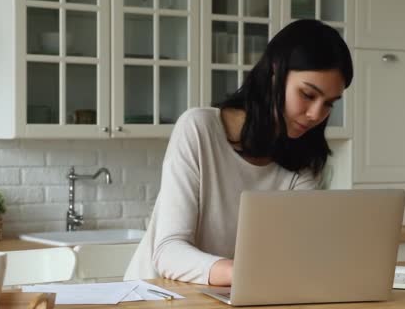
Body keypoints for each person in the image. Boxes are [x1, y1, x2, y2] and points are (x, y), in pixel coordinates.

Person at [124, 19, 353, 286]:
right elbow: (168, 252)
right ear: (275, 73)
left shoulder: (303, 161)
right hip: (154, 296)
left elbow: (290, 254)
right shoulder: (199, 129)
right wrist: (242, 273)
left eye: (328, 104)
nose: (316, 114)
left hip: (230, 297)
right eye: (307, 94)